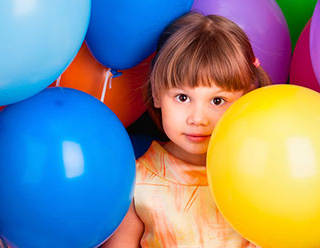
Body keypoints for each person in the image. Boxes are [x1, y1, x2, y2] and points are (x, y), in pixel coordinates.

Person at [103, 11, 272, 248]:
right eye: (182, 97)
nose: (198, 118)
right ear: (156, 93)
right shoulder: (136, 181)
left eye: (217, 100)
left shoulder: (261, 170)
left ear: (245, 99)